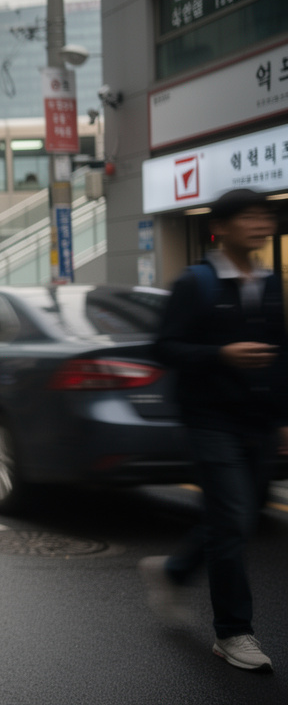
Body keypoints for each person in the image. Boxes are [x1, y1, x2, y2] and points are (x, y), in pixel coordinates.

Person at [141, 188, 286, 673]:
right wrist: (220, 354)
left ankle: (174, 571)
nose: (260, 223)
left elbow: (280, 351)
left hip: (258, 421)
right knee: (233, 520)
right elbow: (164, 347)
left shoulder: (270, 281)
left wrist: (282, 417)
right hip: (210, 420)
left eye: (264, 215)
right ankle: (233, 632)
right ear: (220, 228)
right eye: (249, 216)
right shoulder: (196, 283)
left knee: (236, 519)